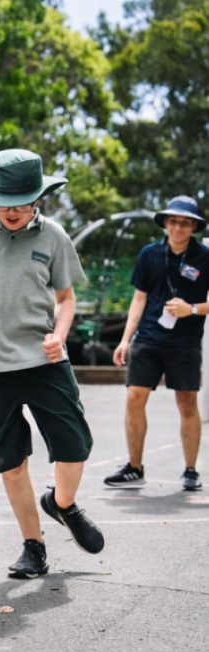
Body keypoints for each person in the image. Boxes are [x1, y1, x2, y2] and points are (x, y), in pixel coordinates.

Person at [0, 149, 104, 580]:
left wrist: (59, 336)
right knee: (10, 461)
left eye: (22, 201)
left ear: (38, 198)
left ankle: (62, 504)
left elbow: (66, 300)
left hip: (42, 357)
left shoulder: (54, 236)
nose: (12, 211)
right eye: (4, 201)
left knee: (74, 444)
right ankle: (34, 546)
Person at [106, 196, 209, 492]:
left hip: (186, 341)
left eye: (186, 222)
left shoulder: (204, 256)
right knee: (134, 398)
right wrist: (125, 340)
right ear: (165, 223)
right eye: (174, 221)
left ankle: (191, 470)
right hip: (148, 338)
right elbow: (139, 299)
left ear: (194, 226)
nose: (179, 227)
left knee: (187, 402)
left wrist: (192, 308)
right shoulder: (149, 254)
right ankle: (134, 468)